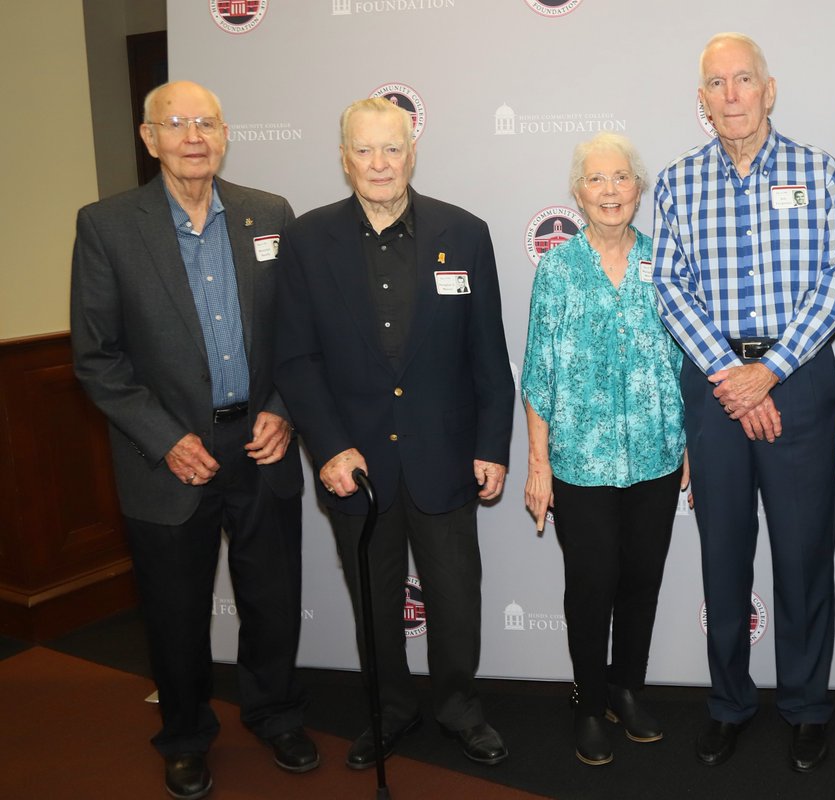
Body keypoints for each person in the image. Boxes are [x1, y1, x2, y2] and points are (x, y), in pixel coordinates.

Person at [70, 80, 316, 800]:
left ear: (224, 133)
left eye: (205, 122)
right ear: (149, 139)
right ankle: (184, 735)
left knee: (273, 598)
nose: (192, 136)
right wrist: (165, 437)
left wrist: (282, 408)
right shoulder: (108, 225)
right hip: (168, 460)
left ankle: (275, 715)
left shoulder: (269, 215)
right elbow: (97, 357)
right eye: (174, 123)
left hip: (262, 447)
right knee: (175, 614)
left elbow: (300, 333)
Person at [274, 97, 514, 769]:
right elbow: (295, 358)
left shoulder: (464, 233)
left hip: (445, 459)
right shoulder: (307, 240)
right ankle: (390, 712)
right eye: (364, 149)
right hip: (355, 463)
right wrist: (326, 445)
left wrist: (492, 448)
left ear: (412, 152)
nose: (379, 163)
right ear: (343, 156)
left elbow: (488, 357)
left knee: (456, 603)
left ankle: (461, 708)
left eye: (392, 148)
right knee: (376, 606)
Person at [652, 33, 835, 772]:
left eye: (744, 79)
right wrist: (730, 378)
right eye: (716, 83)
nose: (731, 94)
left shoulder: (821, 172)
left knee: (803, 557)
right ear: (701, 100)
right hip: (713, 391)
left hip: (796, 383)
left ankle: (805, 707)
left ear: (769, 90)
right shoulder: (676, 182)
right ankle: (730, 702)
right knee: (723, 555)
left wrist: (767, 372)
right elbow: (670, 288)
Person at [521, 133, 688, 766]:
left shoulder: (664, 261)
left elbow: (683, 362)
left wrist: (690, 446)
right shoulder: (558, 269)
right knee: (591, 585)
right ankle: (589, 702)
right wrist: (538, 465)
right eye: (597, 179)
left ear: (639, 190)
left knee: (642, 582)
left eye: (622, 178)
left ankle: (626, 690)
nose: (611, 190)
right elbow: (538, 374)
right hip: (580, 466)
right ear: (577, 192)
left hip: (656, 456)